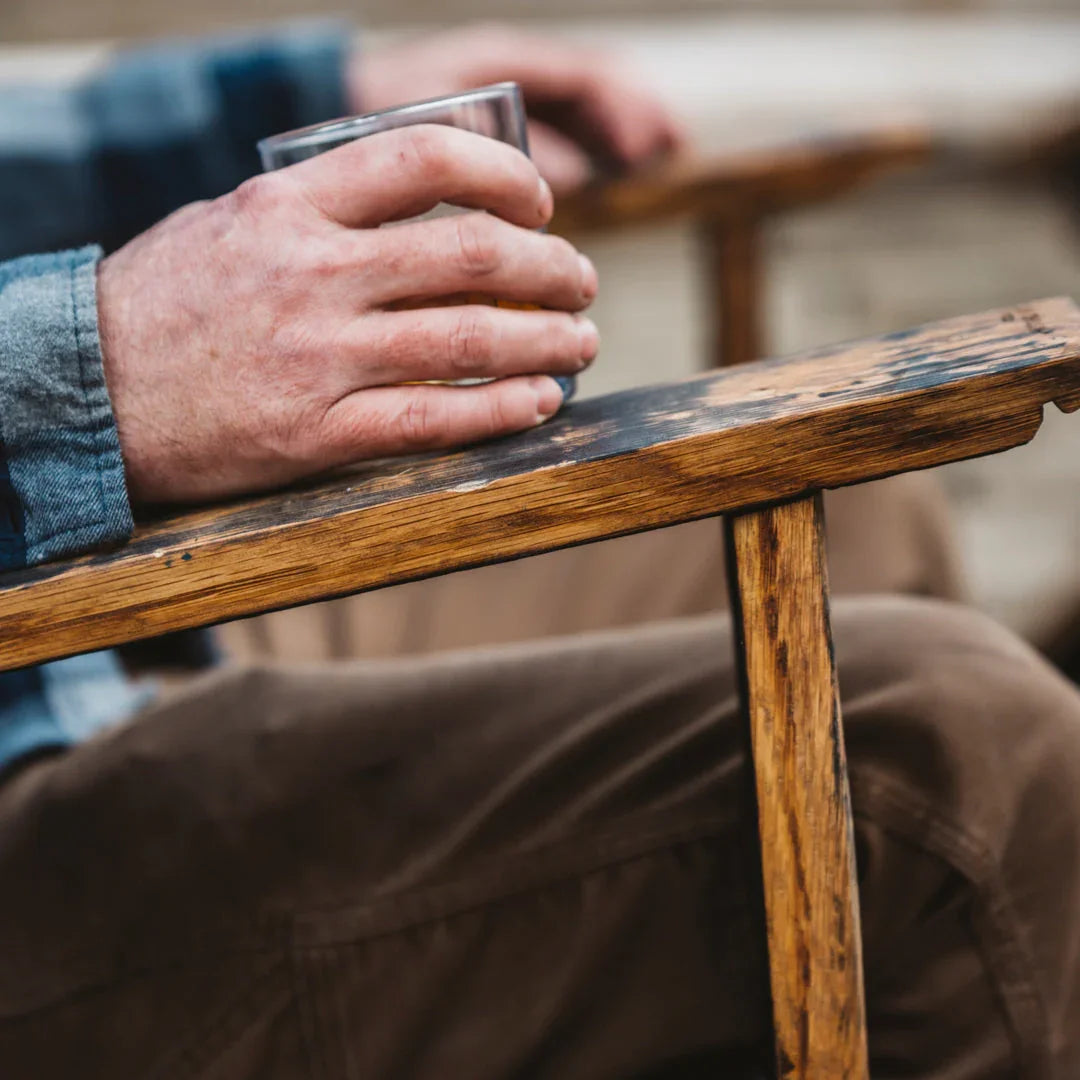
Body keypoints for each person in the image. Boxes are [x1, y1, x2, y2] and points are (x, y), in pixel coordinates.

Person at [0, 20, 1077, 1079]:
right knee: (954, 766)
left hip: (88, 627)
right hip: (37, 811)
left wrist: (297, 106)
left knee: (865, 522)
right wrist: (85, 366)